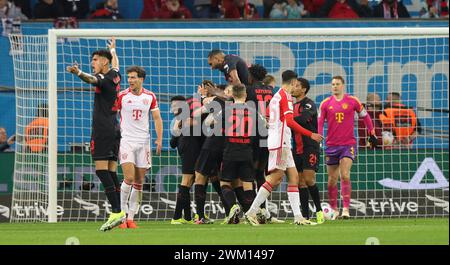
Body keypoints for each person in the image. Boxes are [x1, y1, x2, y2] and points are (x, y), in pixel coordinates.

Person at [244, 70, 323, 226]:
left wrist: (272, 124)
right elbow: (290, 121)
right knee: (276, 178)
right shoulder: (285, 96)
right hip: (281, 142)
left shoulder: (276, 96)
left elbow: (266, 115)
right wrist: (311, 134)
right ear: (293, 83)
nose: (295, 88)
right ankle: (251, 211)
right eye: (295, 85)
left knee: (293, 178)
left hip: (281, 140)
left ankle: (299, 217)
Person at [66, 38, 124, 231]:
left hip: (103, 130)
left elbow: (91, 79)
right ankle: (120, 211)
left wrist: (78, 73)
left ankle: (116, 211)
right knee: (111, 172)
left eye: (96, 59)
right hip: (115, 128)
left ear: (104, 62)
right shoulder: (115, 75)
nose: (92, 63)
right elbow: (116, 65)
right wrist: (113, 49)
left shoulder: (104, 79)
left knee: (101, 171)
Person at [318, 76, 378, 219]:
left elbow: (366, 116)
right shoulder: (326, 103)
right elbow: (320, 122)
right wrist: (319, 137)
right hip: (331, 145)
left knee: (344, 174)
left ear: (343, 86)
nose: (335, 86)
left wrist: (372, 132)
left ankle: (346, 209)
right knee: (332, 179)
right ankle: (334, 209)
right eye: (333, 84)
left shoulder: (353, 101)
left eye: (337, 84)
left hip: (348, 144)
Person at [117, 66, 163, 229]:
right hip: (127, 141)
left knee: (139, 181)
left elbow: (157, 118)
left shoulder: (150, 96)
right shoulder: (122, 95)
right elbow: (110, 113)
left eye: (133, 77)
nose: (130, 80)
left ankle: (131, 218)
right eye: (128, 77)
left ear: (141, 79)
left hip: (143, 142)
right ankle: (121, 217)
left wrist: (159, 139)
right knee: (128, 178)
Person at [218, 84, 260, 224]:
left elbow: (212, 123)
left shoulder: (226, 110)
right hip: (247, 151)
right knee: (248, 184)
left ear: (232, 95)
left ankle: (233, 205)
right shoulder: (253, 111)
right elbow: (265, 126)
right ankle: (250, 214)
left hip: (230, 151)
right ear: (245, 95)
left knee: (225, 182)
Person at [291, 77, 324, 224]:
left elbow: (304, 119)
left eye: (296, 86)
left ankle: (319, 210)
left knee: (309, 179)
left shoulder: (309, 104)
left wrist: (286, 119)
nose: (293, 88)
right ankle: (305, 216)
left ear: (303, 89)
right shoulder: (292, 106)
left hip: (310, 146)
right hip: (296, 147)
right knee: (300, 182)